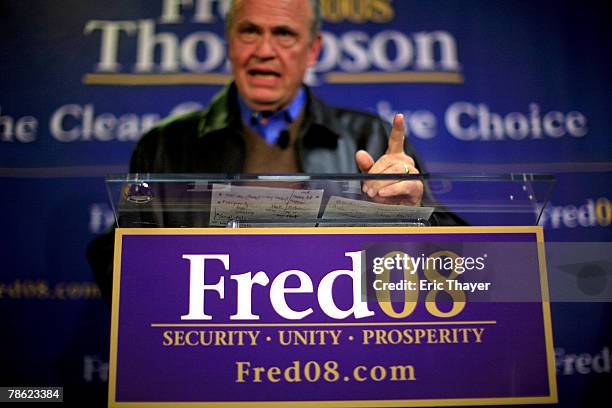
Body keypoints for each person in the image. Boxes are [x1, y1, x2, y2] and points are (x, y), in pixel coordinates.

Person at [88, 0, 464, 303]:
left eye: (283, 34)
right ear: (230, 42)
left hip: (342, 353)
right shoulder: (165, 146)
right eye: (250, 31)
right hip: (210, 356)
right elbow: (118, 263)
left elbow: (462, 261)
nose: (264, 51)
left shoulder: (371, 136)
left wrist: (412, 220)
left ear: (313, 49)